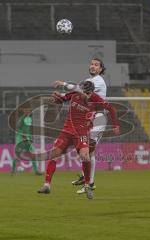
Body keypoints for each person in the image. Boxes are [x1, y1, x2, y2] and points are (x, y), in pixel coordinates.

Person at [37, 81, 119, 200]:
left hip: (82, 133)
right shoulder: (75, 94)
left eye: (88, 93)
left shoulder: (96, 99)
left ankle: (87, 185)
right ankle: (46, 185)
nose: (86, 95)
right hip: (67, 131)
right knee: (53, 154)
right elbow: (61, 100)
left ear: (92, 92)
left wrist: (116, 125)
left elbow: (111, 109)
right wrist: (55, 98)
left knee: (85, 156)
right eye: (84, 92)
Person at [53, 58, 107, 194]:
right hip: (89, 118)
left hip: (98, 118)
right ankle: (88, 180)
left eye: (96, 65)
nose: (93, 66)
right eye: (92, 64)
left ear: (101, 69)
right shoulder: (89, 80)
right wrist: (63, 96)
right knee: (88, 151)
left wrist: (63, 84)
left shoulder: (98, 81)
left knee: (87, 150)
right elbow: (77, 92)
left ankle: (88, 181)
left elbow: (79, 89)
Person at [11, 107, 42, 175]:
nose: (27, 111)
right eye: (26, 110)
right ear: (23, 111)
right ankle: (13, 171)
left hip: (27, 139)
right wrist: (23, 136)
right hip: (20, 140)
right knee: (17, 155)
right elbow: (18, 129)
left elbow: (28, 129)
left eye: (28, 110)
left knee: (32, 154)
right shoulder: (21, 119)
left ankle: (36, 171)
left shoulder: (29, 118)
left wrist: (30, 137)